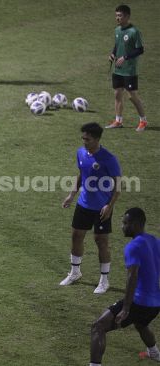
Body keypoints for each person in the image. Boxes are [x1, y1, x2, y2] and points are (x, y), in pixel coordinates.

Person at [89, 208, 160, 366]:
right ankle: (154, 353)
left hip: (138, 302)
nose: (122, 226)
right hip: (156, 303)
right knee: (141, 323)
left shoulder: (133, 247)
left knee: (98, 327)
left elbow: (132, 276)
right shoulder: (155, 241)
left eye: (125, 223)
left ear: (135, 225)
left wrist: (126, 308)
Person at [60, 122, 121, 294]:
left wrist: (109, 206)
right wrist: (72, 195)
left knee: (101, 242)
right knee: (76, 236)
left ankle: (104, 280)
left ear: (96, 139)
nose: (84, 142)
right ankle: (75, 272)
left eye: (87, 139)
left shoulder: (108, 159)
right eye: (83, 138)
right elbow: (81, 174)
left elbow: (118, 187)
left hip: (102, 208)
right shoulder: (81, 153)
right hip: (83, 204)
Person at [105, 5, 147, 132]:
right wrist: (113, 54)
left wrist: (126, 57)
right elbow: (117, 45)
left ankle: (143, 121)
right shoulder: (117, 30)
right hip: (118, 69)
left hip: (129, 70)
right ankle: (118, 121)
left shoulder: (134, 32)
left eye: (120, 15)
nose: (117, 18)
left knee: (132, 96)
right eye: (116, 15)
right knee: (117, 93)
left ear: (127, 16)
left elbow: (140, 49)